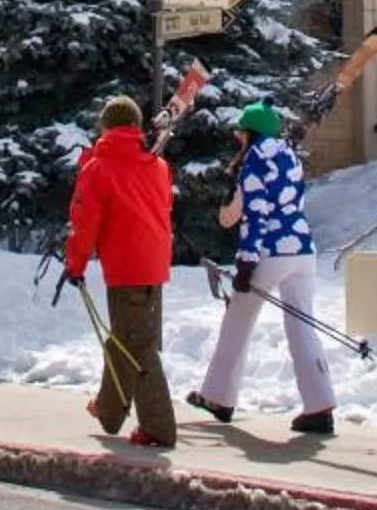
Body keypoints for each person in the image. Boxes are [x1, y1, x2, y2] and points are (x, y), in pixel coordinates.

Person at [186, 101, 336, 437]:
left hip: (270, 251)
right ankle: (320, 405)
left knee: (238, 320)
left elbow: (256, 214)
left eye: (241, 131)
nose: (238, 137)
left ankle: (218, 397)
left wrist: (246, 260)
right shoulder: (289, 156)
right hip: (302, 249)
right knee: (302, 324)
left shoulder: (254, 161)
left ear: (250, 133)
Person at [63, 95, 178, 450]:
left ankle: (159, 428)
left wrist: (75, 263)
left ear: (105, 126)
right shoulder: (156, 164)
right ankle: (109, 412)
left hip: (126, 266)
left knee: (137, 345)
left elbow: (84, 221)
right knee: (126, 336)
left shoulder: (98, 168)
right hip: (154, 262)